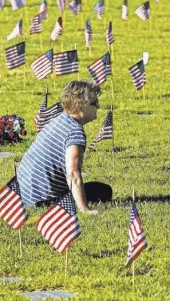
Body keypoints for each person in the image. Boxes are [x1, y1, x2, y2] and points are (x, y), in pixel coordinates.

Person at [18, 80, 110, 214]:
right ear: (81, 105)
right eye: (94, 103)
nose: (99, 106)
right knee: (104, 191)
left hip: (24, 194)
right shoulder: (74, 132)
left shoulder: (59, 120)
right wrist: (85, 209)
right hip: (44, 200)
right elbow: (72, 174)